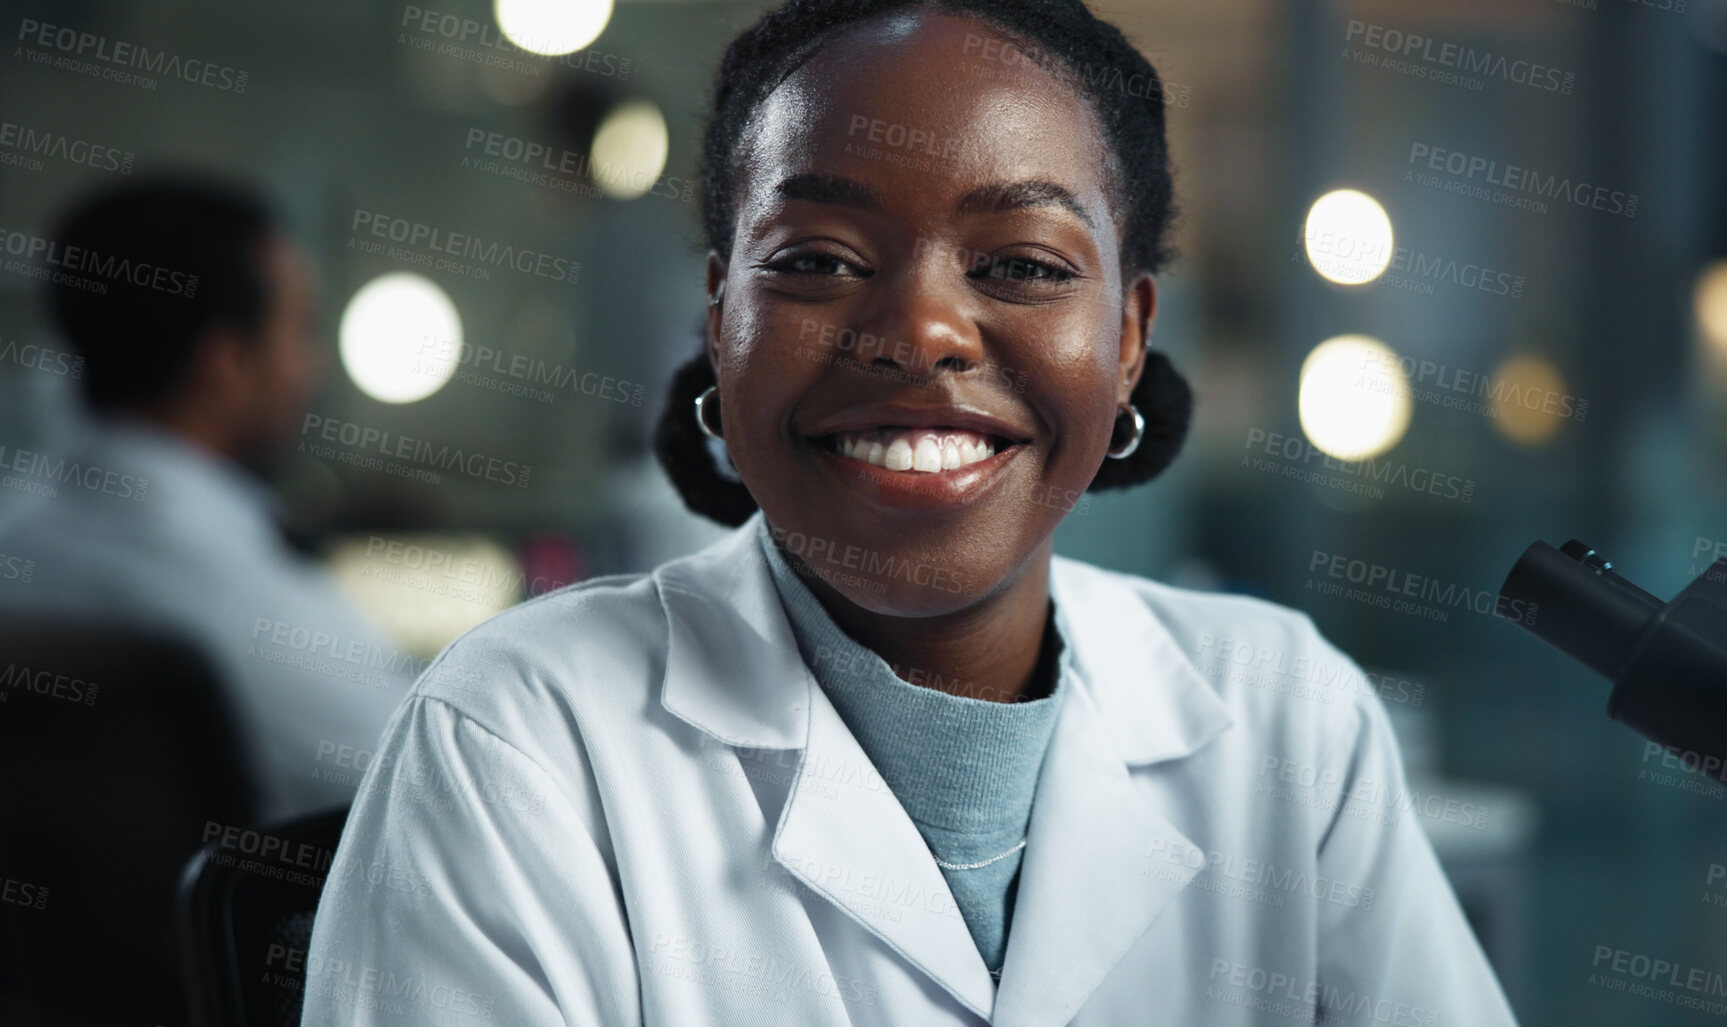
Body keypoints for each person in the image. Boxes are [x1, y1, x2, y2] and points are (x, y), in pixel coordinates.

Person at [301, 1, 1520, 1023]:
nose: (923, 331)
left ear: (1131, 339)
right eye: (819, 259)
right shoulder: (518, 738)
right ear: (720, 322)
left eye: (1024, 266)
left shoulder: (1288, 716)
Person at [0, 178, 413, 823]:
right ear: (225, 364)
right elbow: (428, 784)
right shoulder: (239, 595)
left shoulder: (18, 538)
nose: (315, 369)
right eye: (300, 331)